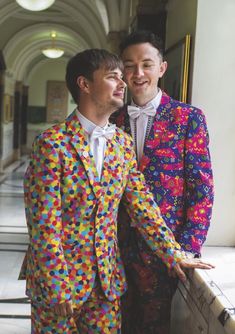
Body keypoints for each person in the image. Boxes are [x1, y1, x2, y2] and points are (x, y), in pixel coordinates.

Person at [24, 48, 214, 334]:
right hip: (59, 288)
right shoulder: (52, 144)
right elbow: (43, 223)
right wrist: (56, 283)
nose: (123, 83)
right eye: (113, 77)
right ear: (84, 84)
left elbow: (143, 206)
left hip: (107, 285)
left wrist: (174, 253)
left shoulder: (122, 145)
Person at [112, 30, 214, 334]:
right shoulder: (111, 120)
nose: (138, 73)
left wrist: (186, 248)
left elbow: (202, 189)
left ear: (162, 68)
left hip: (164, 254)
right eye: (129, 66)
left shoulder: (188, 118)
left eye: (146, 64)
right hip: (114, 251)